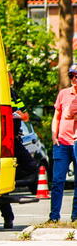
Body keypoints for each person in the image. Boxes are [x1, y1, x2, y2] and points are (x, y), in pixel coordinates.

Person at [0, 73, 38, 229]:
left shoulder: (13, 94)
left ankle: (10, 178)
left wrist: (16, 115)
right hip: (3, 139)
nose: (10, 81)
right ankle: (8, 218)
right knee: (2, 187)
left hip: (15, 138)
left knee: (31, 166)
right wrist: (14, 115)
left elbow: (26, 116)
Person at [50, 64, 77, 223]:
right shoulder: (64, 94)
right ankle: (54, 217)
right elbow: (57, 115)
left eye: (76, 76)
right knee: (57, 181)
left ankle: (75, 217)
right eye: (71, 76)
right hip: (62, 142)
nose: (74, 79)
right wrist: (54, 135)